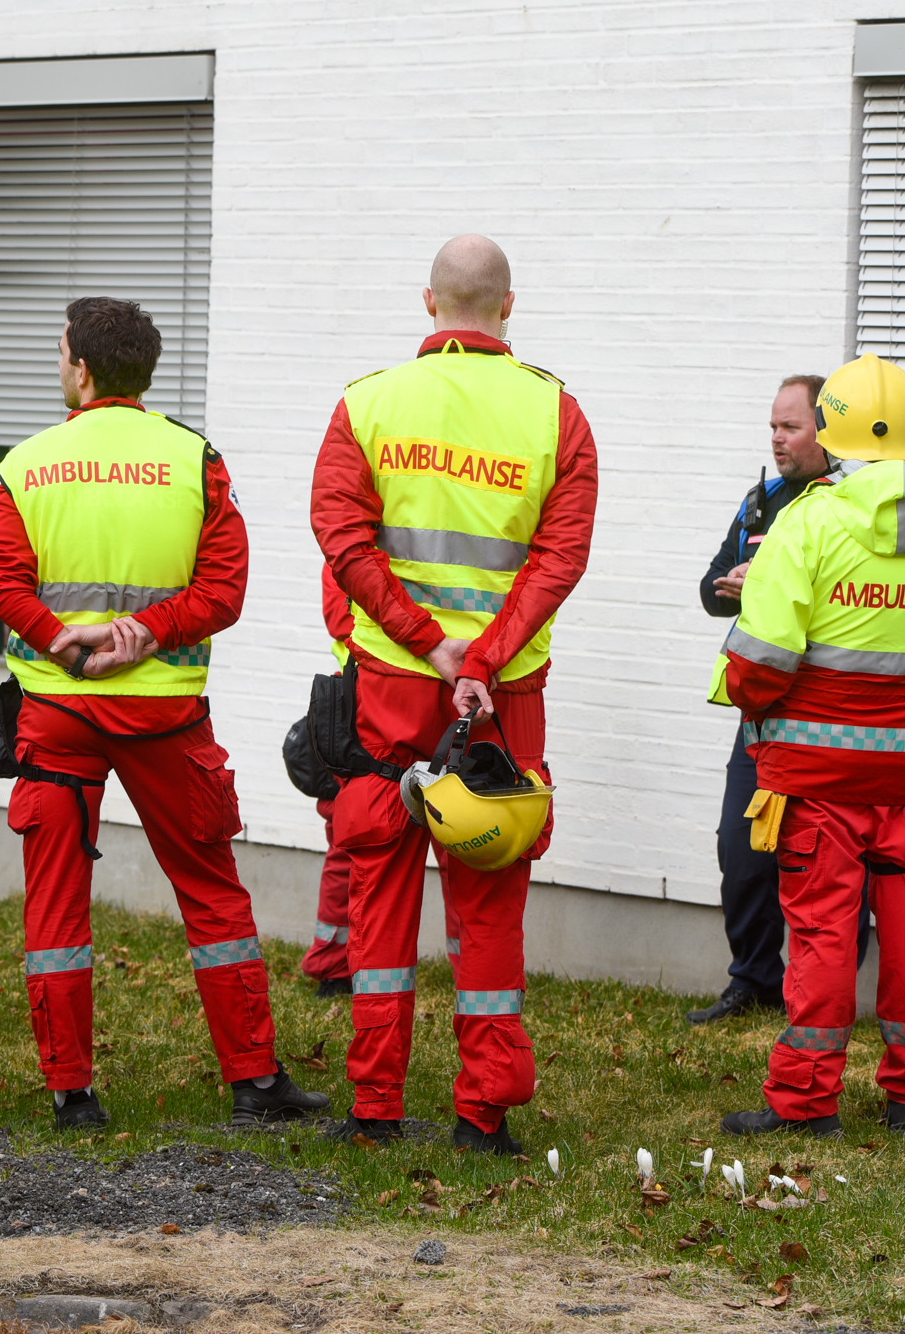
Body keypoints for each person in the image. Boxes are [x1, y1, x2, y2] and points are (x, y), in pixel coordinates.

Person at [0, 296, 330, 1131]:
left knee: (56, 902)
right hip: (165, 717)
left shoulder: (25, 466)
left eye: (61, 352)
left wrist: (63, 642)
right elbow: (225, 590)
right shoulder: (194, 460)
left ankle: (72, 1094)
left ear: (84, 369)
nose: (57, 364)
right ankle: (254, 1081)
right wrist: (144, 634)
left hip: (58, 713)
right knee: (212, 892)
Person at [310, 234, 599, 1155]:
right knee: (489, 899)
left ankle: (375, 1108)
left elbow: (342, 538)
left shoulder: (366, 404)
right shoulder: (559, 413)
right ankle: (483, 1110)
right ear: (508, 307)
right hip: (504, 694)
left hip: (392, 689)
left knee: (379, 893)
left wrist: (431, 646)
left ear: (428, 303)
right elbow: (561, 558)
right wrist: (483, 656)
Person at [715, 354, 905, 1139]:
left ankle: (807, 1103)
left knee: (821, 936)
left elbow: (754, 669)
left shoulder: (806, 522)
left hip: (814, 784)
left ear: (834, 430)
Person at [688, 373, 834, 1024]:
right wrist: (737, 586)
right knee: (739, 847)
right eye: (772, 426)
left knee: (821, 861)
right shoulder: (762, 500)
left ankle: (815, 992)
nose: (776, 439)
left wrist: (770, 582)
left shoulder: (846, 506)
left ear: (827, 432)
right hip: (760, 710)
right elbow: (708, 585)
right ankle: (754, 978)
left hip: (825, 708)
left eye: (790, 427)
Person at [298, 564, 357, 998]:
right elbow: (344, 622)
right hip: (364, 707)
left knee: (462, 846)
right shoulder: (350, 544)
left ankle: (477, 970)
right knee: (350, 841)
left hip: (443, 698)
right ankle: (335, 964)